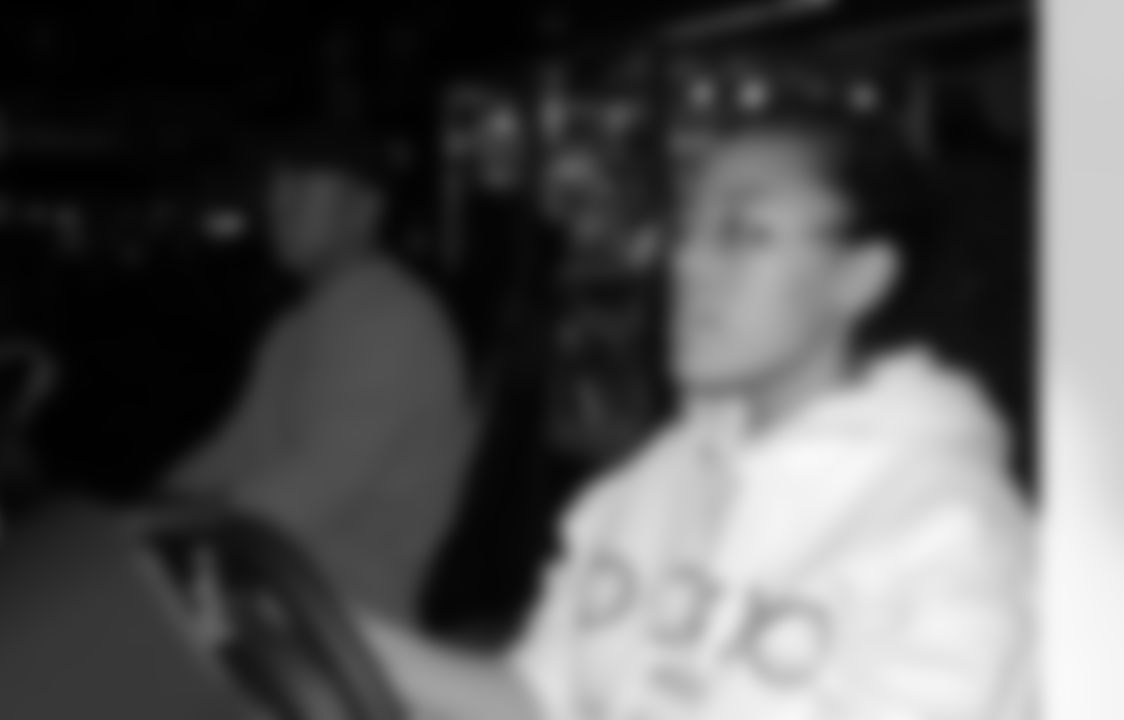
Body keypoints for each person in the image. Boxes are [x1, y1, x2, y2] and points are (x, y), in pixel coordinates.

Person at [356, 105, 1035, 720]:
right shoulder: (663, 474)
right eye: (685, 229)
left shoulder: (952, 535)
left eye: (742, 233)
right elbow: (541, 698)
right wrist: (328, 632)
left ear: (859, 278)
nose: (685, 262)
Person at [164, 129, 473, 625]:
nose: (276, 201)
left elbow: (308, 488)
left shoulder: (391, 319)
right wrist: (153, 504)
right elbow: (238, 449)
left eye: (302, 181)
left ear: (365, 208)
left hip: (340, 624)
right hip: (269, 600)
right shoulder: (298, 326)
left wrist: (166, 529)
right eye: (274, 181)